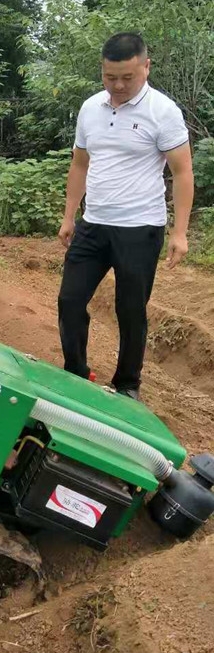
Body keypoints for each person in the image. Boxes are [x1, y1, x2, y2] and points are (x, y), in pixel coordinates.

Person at [57, 32, 194, 401]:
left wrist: (179, 233)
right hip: (94, 224)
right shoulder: (90, 109)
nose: (118, 86)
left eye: (127, 78)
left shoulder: (163, 112)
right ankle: (75, 372)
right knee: (70, 301)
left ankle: (128, 384)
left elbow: (182, 172)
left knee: (130, 310)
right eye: (109, 77)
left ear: (146, 67)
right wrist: (70, 216)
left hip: (140, 229)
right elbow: (80, 164)